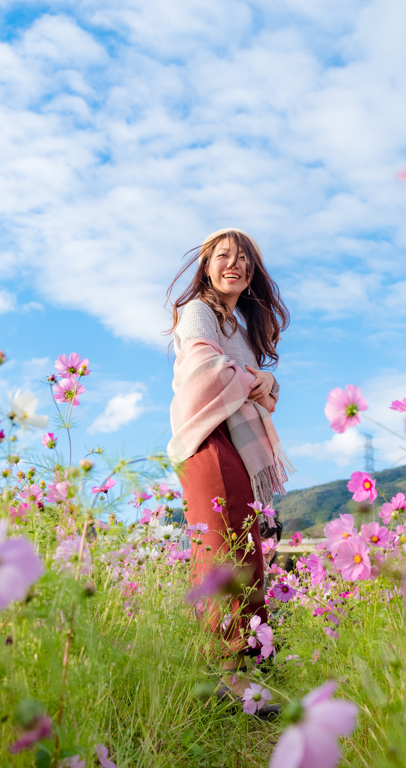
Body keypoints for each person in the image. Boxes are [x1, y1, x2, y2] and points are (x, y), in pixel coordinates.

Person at [166, 228, 292, 716]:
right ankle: (232, 678)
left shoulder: (236, 325)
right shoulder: (198, 309)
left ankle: (243, 671)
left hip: (231, 444)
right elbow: (203, 369)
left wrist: (265, 378)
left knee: (239, 548)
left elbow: (267, 394)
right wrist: (257, 379)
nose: (233, 265)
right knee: (223, 549)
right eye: (223, 256)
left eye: (243, 259)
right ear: (206, 265)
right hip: (208, 440)